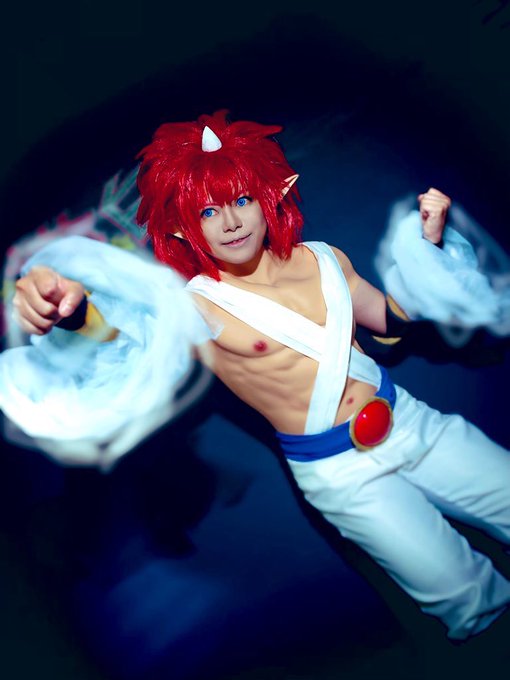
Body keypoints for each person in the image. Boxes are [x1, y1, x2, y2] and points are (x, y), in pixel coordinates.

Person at [8, 109, 510, 641]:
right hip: (342, 473)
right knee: (468, 599)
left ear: (269, 195)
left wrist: (429, 256)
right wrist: (73, 311)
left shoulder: (325, 259)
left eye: (242, 199)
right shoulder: (196, 307)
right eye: (207, 210)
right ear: (180, 225)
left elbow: (390, 324)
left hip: (412, 423)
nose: (230, 222)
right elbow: (125, 335)